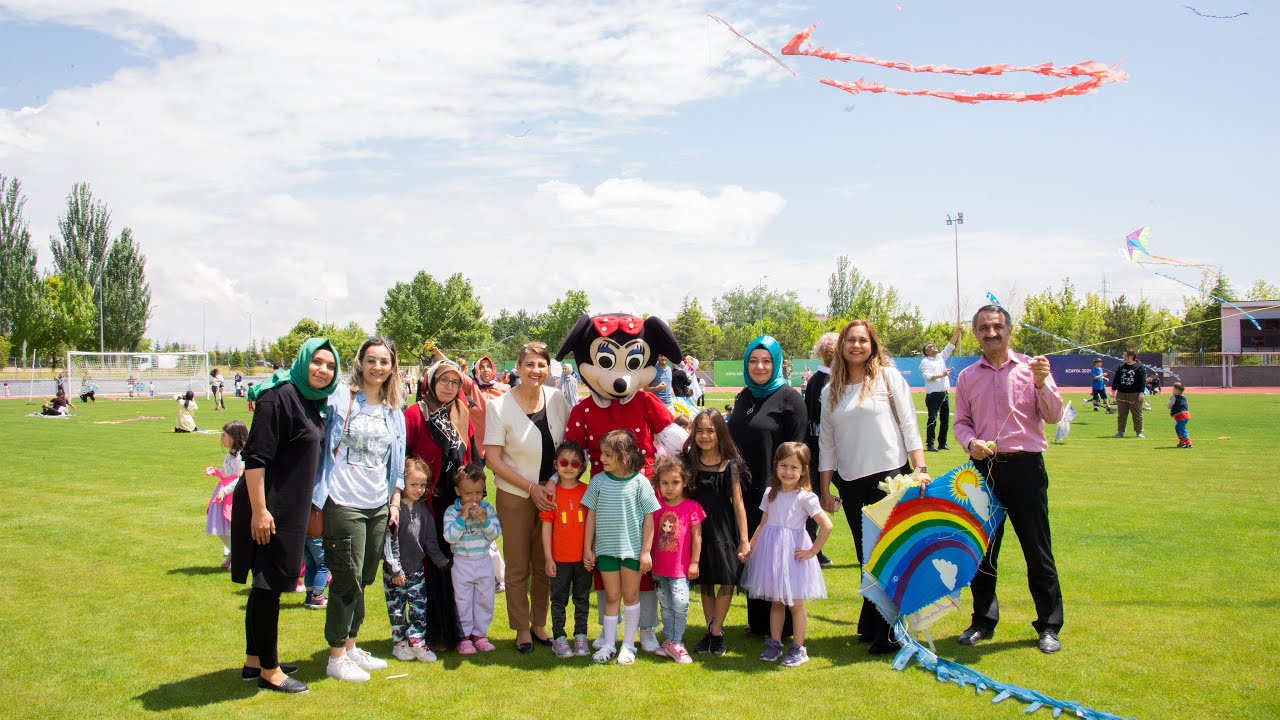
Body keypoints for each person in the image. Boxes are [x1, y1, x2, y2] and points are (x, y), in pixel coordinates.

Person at [953, 304, 1065, 654]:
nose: (991, 333)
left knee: (1037, 549)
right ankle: (983, 621)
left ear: (1009, 330)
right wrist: (971, 443)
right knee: (982, 552)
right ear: (975, 334)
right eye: (983, 328)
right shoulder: (968, 376)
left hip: (1026, 468)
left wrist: (1042, 383)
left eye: (997, 326)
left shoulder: (1033, 369)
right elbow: (961, 423)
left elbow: (1054, 414)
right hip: (984, 470)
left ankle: (1049, 625)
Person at [230, 338, 339, 694]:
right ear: (303, 361)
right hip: (271, 508)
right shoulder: (278, 397)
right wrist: (261, 511)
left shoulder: (308, 400)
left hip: (287, 508)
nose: (323, 369)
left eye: (330, 365)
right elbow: (255, 458)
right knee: (271, 587)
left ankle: (253, 661)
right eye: (317, 362)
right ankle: (270, 670)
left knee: (266, 584)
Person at [817, 319, 928, 654]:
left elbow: (909, 425)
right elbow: (827, 443)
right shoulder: (829, 391)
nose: (856, 346)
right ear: (841, 347)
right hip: (850, 482)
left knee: (886, 555)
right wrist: (824, 489)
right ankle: (871, 622)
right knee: (866, 556)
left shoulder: (889, 377)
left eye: (863, 340)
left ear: (872, 344)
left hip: (890, 477)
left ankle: (887, 632)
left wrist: (920, 468)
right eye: (850, 340)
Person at [316, 337, 406, 682]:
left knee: (365, 577)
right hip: (343, 501)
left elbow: (396, 460)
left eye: (384, 361)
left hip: (377, 504)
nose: (378, 367)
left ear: (392, 366)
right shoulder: (342, 398)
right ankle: (336, 655)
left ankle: (352, 646)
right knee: (346, 579)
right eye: (372, 360)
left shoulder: (393, 408)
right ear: (360, 362)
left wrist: (394, 501)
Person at [484, 341, 570, 653]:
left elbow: (567, 448)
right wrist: (531, 488)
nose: (535, 371)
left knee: (545, 562)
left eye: (541, 365)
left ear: (549, 369)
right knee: (519, 565)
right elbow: (493, 459)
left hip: (552, 493)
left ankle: (539, 624)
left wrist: (552, 482)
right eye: (529, 365)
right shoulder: (499, 406)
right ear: (518, 368)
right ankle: (521, 627)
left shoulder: (558, 398)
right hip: (516, 496)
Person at [727, 336, 807, 637]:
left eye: (766, 361)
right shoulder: (745, 396)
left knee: (779, 555)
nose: (759, 366)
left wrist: (791, 490)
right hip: (745, 491)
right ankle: (759, 623)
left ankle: (784, 627)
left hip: (778, 493)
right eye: (753, 360)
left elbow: (799, 451)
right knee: (754, 555)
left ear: (776, 363)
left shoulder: (790, 399)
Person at [741, 442, 831, 667]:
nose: (788, 472)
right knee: (777, 602)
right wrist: (750, 547)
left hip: (793, 556)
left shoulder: (806, 498)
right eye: (783, 466)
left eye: (794, 467)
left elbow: (826, 525)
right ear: (776, 466)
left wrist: (813, 551)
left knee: (795, 604)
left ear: (803, 471)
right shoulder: (770, 493)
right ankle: (774, 642)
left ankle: (799, 648)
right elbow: (762, 525)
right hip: (770, 553)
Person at [405, 358, 474, 651]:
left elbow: (469, 458)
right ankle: (432, 632)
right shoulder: (415, 413)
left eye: (455, 381)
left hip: (454, 502)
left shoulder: (462, 412)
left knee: (456, 567)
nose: (449, 386)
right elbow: (403, 456)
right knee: (432, 567)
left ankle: (459, 631)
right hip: (426, 503)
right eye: (444, 380)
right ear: (431, 382)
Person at [582, 430, 661, 664]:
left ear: (624, 456)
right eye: (602, 454)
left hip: (633, 552)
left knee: (631, 595)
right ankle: (609, 644)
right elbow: (591, 516)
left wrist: (645, 552)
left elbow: (650, 518)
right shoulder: (597, 482)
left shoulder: (640, 483)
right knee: (612, 596)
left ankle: (628, 646)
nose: (602, 459)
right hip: (606, 551)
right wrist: (588, 548)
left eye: (608, 455)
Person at [684, 409, 749, 656]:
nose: (704, 436)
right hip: (697, 532)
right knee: (705, 582)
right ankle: (712, 630)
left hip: (723, 529)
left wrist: (744, 540)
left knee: (726, 580)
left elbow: (739, 504)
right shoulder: (688, 461)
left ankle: (716, 631)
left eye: (710, 430)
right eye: (699, 430)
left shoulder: (731, 465)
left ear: (720, 432)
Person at [384, 456, 447, 663]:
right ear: (402, 484)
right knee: (397, 609)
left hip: (417, 569)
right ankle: (400, 643)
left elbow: (429, 540)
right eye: (413, 484)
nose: (418, 489)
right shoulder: (394, 511)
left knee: (419, 607)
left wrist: (441, 561)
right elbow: (389, 542)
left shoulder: (423, 510)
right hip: (396, 572)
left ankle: (417, 642)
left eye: (422, 485)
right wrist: (395, 569)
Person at [649, 454, 706, 665]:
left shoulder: (692, 507)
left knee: (680, 603)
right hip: (658, 568)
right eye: (665, 483)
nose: (670, 487)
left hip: (680, 569)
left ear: (685, 482)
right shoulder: (655, 506)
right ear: (658, 484)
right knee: (665, 605)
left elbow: (697, 536)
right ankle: (670, 642)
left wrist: (695, 562)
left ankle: (676, 641)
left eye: (675, 482)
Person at [541, 440, 592, 659]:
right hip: (560, 559)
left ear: (582, 467)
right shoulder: (551, 494)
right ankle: (559, 638)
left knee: (581, 598)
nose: (569, 467)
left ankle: (581, 635)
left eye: (575, 463)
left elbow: (593, 524)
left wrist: (591, 551)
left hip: (583, 559)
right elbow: (546, 527)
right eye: (564, 462)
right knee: (559, 599)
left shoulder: (587, 492)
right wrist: (548, 558)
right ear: (555, 464)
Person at [444, 464, 503, 654]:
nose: (474, 498)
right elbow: (449, 537)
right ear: (458, 491)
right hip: (462, 562)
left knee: (485, 598)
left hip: (483, 560)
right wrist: (462, 519)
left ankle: (480, 634)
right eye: (468, 494)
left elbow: (494, 534)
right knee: (463, 600)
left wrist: (484, 520)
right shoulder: (452, 512)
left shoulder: (487, 509)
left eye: (478, 493)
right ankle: (464, 637)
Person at [802, 332, 838, 568]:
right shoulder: (828, 381)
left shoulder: (816, 379)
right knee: (813, 500)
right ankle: (814, 549)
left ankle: (814, 548)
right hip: (824, 448)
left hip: (816, 447)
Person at [206, 420, 248, 569]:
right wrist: (216, 472)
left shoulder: (240, 457)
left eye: (224, 435)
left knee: (229, 527)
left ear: (234, 437)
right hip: (222, 493)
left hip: (231, 495)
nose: (222, 438)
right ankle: (233, 552)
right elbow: (226, 473)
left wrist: (225, 490)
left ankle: (237, 554)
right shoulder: (230, 455)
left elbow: (239, 478)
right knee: (221, 527)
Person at [920, 324, 963, 451]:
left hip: (944, 394)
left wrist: (958, 331)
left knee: (945, 420)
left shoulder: (941, 358)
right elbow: (928, 377)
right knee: (932, 420)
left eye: (934, 345)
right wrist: (943, 374)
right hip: (933, 395)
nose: (934, 346)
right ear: (927, 351)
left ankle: (942, 443)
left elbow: (950, 346)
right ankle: (930, 444)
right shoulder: (925, 362)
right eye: (931, 346)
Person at [1111, 348, 1147, 438]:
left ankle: (1139, 432)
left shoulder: (1140, 367)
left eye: (1125, 355)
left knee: (1137, 414)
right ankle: (1120, 431)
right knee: (1121, 414)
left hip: (1135, 394)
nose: (1124, 357)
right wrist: (1113, 390)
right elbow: (1116, 380)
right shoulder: (1121, 367)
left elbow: (1143, 381)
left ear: (1131, 356)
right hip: (1121, 393)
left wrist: (1141, 393)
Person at [302, 537, 329, 610]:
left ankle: (310, 597)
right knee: (323, 565)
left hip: (304, 535)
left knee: (311, 565)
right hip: (316, 535)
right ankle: (317, 597)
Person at [1169, 382, 1192, 448]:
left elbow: (1169, 406)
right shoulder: (1184, 397)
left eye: (1173, 389)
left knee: (1182, 429)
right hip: (1186, 416)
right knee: (1178, 428)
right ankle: (1182, 441)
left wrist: (1171, 403)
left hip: (1180, 416)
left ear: (1177, 390)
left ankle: (1188, 442)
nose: (1172, 390)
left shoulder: (1174, 398)